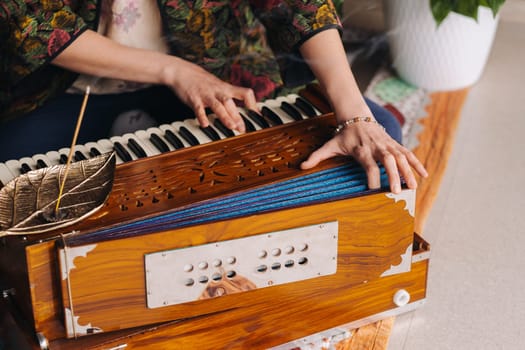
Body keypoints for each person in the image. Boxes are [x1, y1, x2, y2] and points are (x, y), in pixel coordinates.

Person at [0, 0, 427, 193]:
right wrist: (175, 71)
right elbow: (36, 26)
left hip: (222, 78)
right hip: (69, 90)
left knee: (377, 144)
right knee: (14, 188)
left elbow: (299, 5)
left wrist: (354, 117)